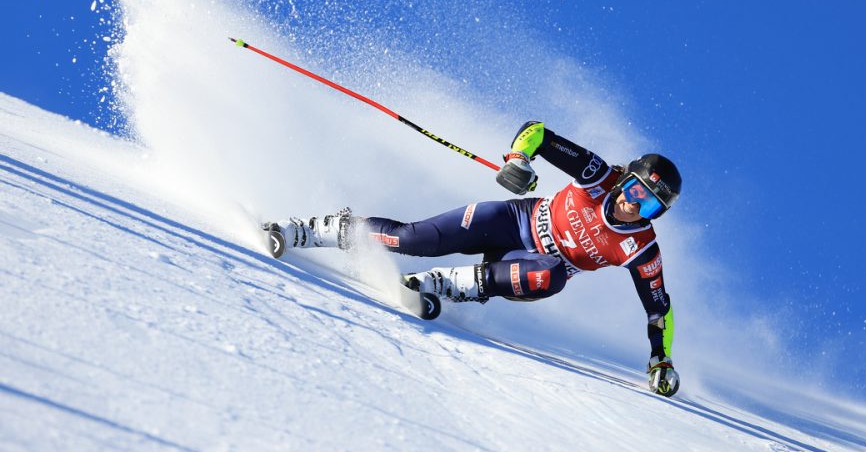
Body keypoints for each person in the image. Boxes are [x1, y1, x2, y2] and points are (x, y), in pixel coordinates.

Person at [263, 122, 683, 397]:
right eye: (634, 190)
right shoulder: (597, 175)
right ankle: (312, 229)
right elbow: (537, 133)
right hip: (512, 220)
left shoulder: (641, 248)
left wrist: (659, 359)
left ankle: (437, 284)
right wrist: (518, 160)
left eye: (648, 206)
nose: (633, 205)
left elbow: (658, 311)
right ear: (625, 178)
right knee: (412, 239)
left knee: (551, 276)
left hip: (529, 264)